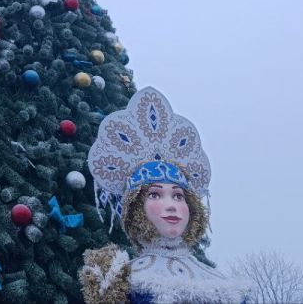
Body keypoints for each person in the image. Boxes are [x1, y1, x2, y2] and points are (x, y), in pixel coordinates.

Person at [78, 87, 251, 304]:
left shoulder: (224, 287)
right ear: (134, 206)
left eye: (179, 196)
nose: (172, 206)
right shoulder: (121, 282)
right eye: (155, 195)